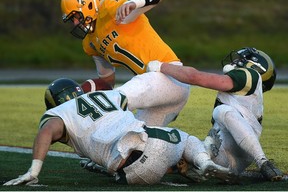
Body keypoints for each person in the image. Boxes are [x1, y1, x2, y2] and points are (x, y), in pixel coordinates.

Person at [3, 78, 233, 186]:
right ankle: (203, 161)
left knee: (108, 158)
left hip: (129, 176)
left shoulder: (59, 114)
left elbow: (46, 133)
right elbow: (126, 94)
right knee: (183, 138)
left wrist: (33, 171)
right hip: (153, 145)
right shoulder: (104, 96)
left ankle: (181, 166)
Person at [60, 0, 190, 127]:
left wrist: (134, 3)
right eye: (72, 20)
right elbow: (107, 82)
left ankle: (67, 123)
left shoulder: (109, 7)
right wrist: (89, 90)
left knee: (115, 100)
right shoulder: (89, 43)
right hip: (154, 89)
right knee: (134, 141)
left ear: (89, 5)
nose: (75, 23)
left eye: (77, 16)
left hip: (171, 75)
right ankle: (194, 148)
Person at [146, 47, 284, 182]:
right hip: (225, 152)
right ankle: (201, 165)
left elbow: (195, 77)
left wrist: (162, 66)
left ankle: (263, 162)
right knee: (185, 141)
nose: (235, 62)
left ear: (253, 65)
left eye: (240, 59)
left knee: (221, 111)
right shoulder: (245, 90)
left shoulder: (250, 76)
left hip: (242, 147)